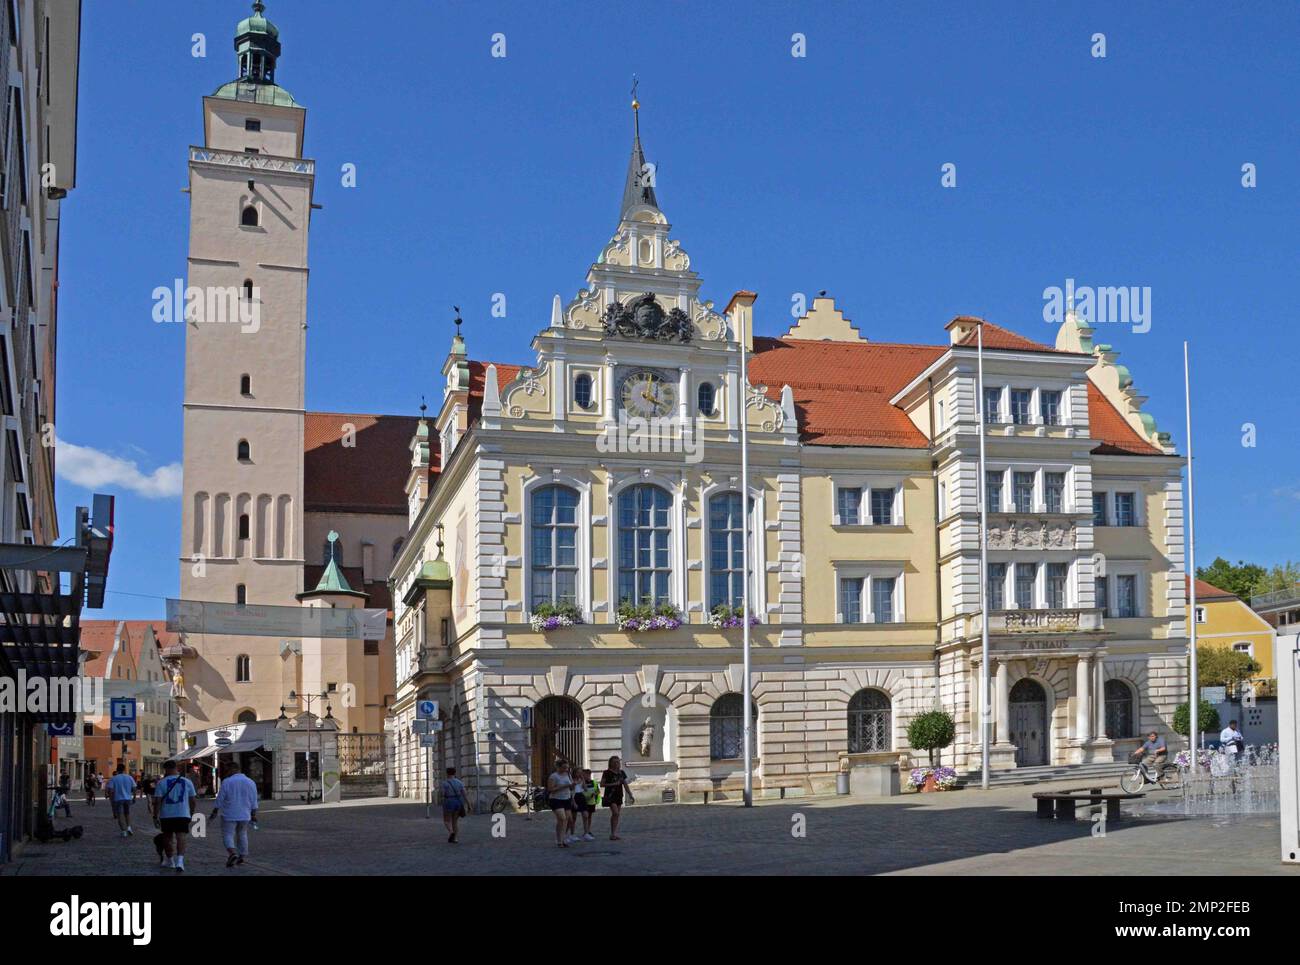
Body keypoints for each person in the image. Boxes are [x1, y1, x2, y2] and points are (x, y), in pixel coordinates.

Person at [212, 761, 259, 867]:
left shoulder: (227, 782)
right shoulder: (250, 782)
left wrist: (215, 810)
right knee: (242, 834)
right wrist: (253, 814)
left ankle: (232, 853)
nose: (226, 772)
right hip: (245, 814)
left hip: (229, 814)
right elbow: (254, 800)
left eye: (227, 770)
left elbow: (220, 798)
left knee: (228, 834)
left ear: (233, 769)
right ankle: (242, 856)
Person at [152, 759, 197, 872]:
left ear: (166, 769)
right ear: (176, 768)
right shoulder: (187, 781)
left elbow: (157, 801)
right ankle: (180, 861)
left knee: (167, 838)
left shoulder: (161, 783)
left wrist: (155, 816)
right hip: (182, 813)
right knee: (181, 836)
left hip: (166, 814)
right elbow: (193, 800)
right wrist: (191, 812)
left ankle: (171, 860)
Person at [600, 756, 634, 841]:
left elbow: (625, 784)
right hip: (610, 796)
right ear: (610, 763)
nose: (616, 764)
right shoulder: (606, 772)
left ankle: (613, 833)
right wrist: (613, 784)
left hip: (619, 795)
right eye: (614, 762)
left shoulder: (621, 772)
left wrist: (630, 794)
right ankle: (613, 833)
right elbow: (602, 784)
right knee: (615, 813)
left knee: (617, 814)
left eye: (618, 762)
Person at [546, 759, 576, 847]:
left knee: (565, 820)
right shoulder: (553, 776)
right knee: (562, 818)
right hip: (556, 799)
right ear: (558, 767)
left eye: (567, 767)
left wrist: (572, 786)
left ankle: (562, 840)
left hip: (566, 799)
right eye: (564, 767)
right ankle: (559, 840)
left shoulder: (568, 775)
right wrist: (564, 786)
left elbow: (570, 787)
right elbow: (550, 789)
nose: (566, 769)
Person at [106, 764, 137, 837]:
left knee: (120, 816)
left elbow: (110, 790)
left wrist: (111, 799)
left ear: (117, 770)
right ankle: (129, 827)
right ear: (124, 769)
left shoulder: (114, 778)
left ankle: (124, 831)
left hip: (118, 799)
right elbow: (134, 788)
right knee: (127, 814)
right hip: (128, 799)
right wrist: (134, 797)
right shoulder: (129, 777)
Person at [440, 766, 468, 844]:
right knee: (455, 822)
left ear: (447, 774)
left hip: (448, 801)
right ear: (455, 773)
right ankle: (455, 838)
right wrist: (468, 804)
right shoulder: (459, 782)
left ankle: (451, 832)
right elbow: (464, 794)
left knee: (446, 820)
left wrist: (442, 802)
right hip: (458, 802)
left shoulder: (444, 783)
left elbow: (443, 794)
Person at [574, 768, 599, 841]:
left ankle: (587, 831)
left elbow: (590, 789)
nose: (587, 776)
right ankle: (570, 834)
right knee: (573, 818)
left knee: (587, 816)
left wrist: (595, 794)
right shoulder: (572, 779)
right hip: (578, 799)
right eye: (585, 774)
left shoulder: (592, 782)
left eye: (589, 775)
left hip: (589, 801)